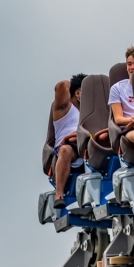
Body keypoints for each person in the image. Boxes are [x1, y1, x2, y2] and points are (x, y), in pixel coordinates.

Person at [108, 46, 134, 165]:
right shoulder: (117, 88)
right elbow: (118, 119)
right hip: (129, 129)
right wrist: (131, 119)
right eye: (129, 64)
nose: (132, 67)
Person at [52, 73, 87, 209]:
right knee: (65, 150)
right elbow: (61, 86)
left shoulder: (92, 110)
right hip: (70, 147)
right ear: (78, 93)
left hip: (89, 143)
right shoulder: (64, 108)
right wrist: (73, 82)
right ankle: (59, 194)